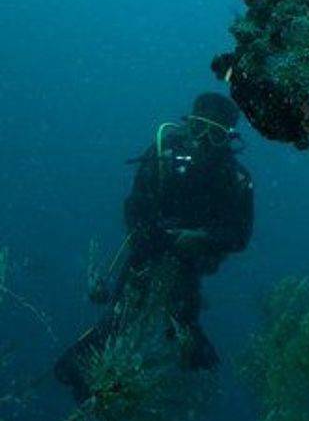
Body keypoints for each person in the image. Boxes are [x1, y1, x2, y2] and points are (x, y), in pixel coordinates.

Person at [55, 92, 253, 402]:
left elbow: (240, 235)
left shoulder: (234, 178)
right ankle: (81, 375)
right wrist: (155, 236)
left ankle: (188, 370)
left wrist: (199, 238)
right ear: (188, 125)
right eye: (198, 128)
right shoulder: (163, 154)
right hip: (148, 252)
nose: (203, 140)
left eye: (214, 134)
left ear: (227, 137)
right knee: (119, 319)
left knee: (184, 321)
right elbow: (134, 208)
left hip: (191, 260)